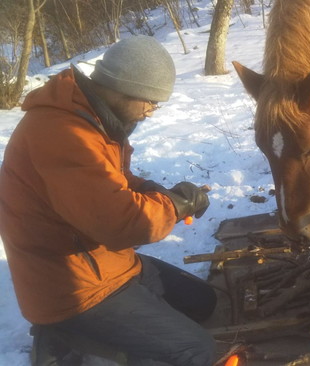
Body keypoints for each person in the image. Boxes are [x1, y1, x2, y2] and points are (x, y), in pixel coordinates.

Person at [0, 36, 218, 366]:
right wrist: (175, 205)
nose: (150, 112)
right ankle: (67, 337)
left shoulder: (92, 118)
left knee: (203, 303)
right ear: (122, 87)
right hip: (71, 289)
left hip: (106, 264)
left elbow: (111, 181)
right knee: (195, 352)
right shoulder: (62, 134)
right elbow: (120, 223)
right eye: (149, 102)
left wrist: (152, 189)